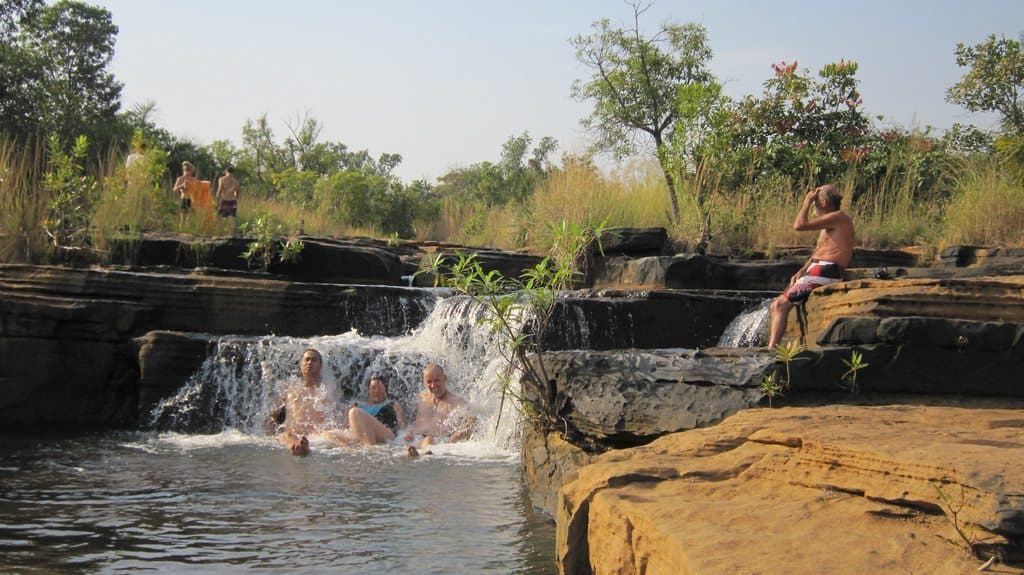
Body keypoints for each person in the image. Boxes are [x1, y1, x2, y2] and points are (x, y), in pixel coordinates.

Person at [767, 184, 856, 348]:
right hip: (818, 269)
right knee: (776, 305)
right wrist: (802, 270)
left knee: (779, 305)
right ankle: (774, 346)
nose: (813, 204)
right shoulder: (829, 221)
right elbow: (819, 251)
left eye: (816, 201)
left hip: (827, 270)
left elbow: (798, 225)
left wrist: (806, 203)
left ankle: (771, 349)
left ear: (823, 203)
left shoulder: (838, 217)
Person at [269, 348, 352, 456]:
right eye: (307, 359)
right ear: (301, 364)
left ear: (320, 366)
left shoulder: (328, 390)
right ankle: (298, 447)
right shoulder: (288, 388)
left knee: (331, 436)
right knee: (287, 435)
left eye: (314, 360)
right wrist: (268, 433)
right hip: (292, 435)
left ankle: (304, 448)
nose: (309, 362)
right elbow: (273, 415)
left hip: (318, 437)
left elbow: (337, 415)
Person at [403, 363, 476, 450]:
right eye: (429, 382)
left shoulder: (456, 401)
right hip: (416, 440)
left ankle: (424, 455)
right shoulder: (421, 398)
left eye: (436, 380)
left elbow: (472, 420)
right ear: (424, 382)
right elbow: (408, 419)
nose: (433, 385)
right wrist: (408, 432)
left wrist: (457, 436)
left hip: (439, 443)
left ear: (444, 378)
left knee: (428, 440)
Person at [346, 375, 407, 445]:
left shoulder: (393, 404)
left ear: (385, 390)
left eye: (380, 388)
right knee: (331, 435)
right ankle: (359, 446)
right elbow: (347, 427)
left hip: (386, 433)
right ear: (368, 390)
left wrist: (405, 435)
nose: (377, 390)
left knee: (354, 412)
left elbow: (402, 426)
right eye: (373, 387)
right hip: (360, 433)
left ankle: (369, 449)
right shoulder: (356, 404)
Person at [216, 166, 241, 232]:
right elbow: (238, 193)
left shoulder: (222, 179)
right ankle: (231, 235)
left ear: (225, 172)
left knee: (219, 218)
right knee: (232, 219)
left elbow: (219, 190)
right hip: (233, 201)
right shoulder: (236, 182)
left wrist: (217, 201)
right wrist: (235, 197)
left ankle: (219, 235)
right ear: (233, 173)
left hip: (224, 200)